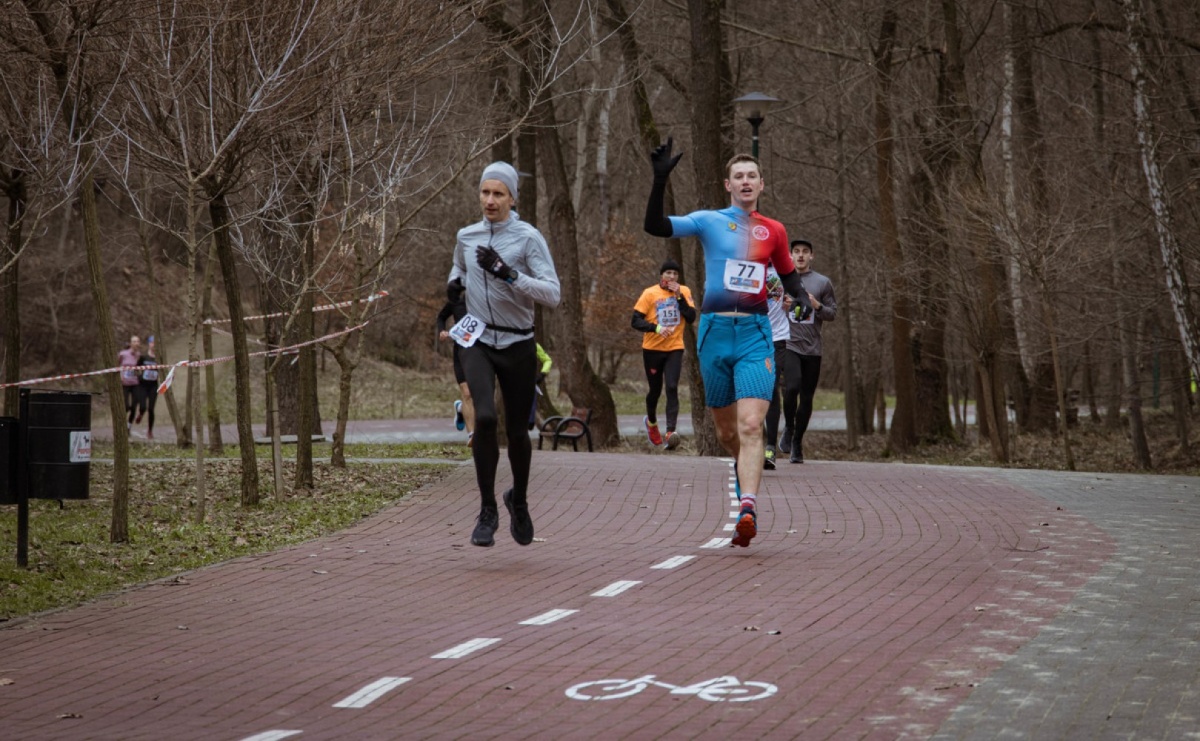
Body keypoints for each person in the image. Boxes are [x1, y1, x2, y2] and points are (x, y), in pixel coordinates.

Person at [644, 139, 812, 548]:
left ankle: (749, 506)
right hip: (714, 334)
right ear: (728, 184)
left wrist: (802, 301)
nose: (746, 181)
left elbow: (789, 278)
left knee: (752, 424)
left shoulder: (774, 230)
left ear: (761, 184)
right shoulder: (708, 221)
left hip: (755, 334)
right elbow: (655, 226)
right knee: (727, 433)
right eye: (738, 176)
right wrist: (660, 179)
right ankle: (744, 485)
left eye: (752, 175)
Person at [447, 161, 561, 548]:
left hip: (519, 342)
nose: (490, 200)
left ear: (513, 198)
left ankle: (520, 500)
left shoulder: (528, 238)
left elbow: (553, 294)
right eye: (485, 193)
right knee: (486, 416)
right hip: (478, 340)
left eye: (498, 194)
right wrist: (454, 288)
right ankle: (487, 509)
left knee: (516, 430)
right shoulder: (467, 235)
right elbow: (458, 267)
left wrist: (509, 274)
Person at [780, 239, 837, 464]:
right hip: (789, 344)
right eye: (796, 252)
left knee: (807, 397)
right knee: (791, 386)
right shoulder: (782, 281)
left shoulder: (822, 282)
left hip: (813, 349)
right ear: (790, 255)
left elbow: (833, 313)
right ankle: (788, 428)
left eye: (805, 252)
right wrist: (780, 306)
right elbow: (767, 306)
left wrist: (817, 306)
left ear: (811, 256)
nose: (800, 255)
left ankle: (797, 442)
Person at [631, 259, 695, 449]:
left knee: (672, 387)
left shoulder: (684, 291)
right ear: (661, 275)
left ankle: (670, 431)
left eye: (675, 274)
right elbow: (635, 321)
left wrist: (679, 297)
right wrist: (656, 328)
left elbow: (691, 318)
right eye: (668, 273)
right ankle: (651, 423)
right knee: (655, 391)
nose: (672, 277)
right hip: (652, 349)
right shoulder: (649, 293)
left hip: (675, 347)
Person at [437, 278, 474, 446]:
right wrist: (442, 331)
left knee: (478, 394)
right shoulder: (456, 302)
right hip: (461, 350)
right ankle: (472, 435)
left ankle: (460, 409)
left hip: (481, 351)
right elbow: (441, 316)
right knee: (467, 393)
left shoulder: (484, 302)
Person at [761, 267, 790, 469]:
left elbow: (799, 292)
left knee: (772, 390)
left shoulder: (783, 267)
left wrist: (795, 302)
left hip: (778, 338)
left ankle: (770, 447)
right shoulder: (749, 264)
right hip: (753, 337)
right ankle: (748, 444)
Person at [138, 335, 162, 439]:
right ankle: (140, 413)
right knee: (143, 407)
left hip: (153, 386)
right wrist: (139, 377)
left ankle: (150, 431)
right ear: (149, 344)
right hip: (143, 385)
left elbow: (163, 370)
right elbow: (135, 368)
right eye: (152, 343)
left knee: (151, 409)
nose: (153, 345)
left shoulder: (159, 358)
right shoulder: (143, 357)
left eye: (155, 343)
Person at [117, 335, 143, 430]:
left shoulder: (139, 355)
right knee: (126, 406)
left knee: (134, 406)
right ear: (131, 343)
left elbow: (140, 368)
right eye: (134, 341)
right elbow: (117, 365)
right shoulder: (123, 354)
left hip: (135, 383)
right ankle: (120, 424)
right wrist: (121, 375)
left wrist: (139, 373)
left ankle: (128, 425)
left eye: (138, 341)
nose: (136, 343)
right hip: (125, 383)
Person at [529, 343, 553, 430]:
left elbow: (548, 360)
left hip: (530, 385)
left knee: (529, 423)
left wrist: (542, 374)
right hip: (514, 384)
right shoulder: (510, 344)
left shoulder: (535, 346)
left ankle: (531, 422)